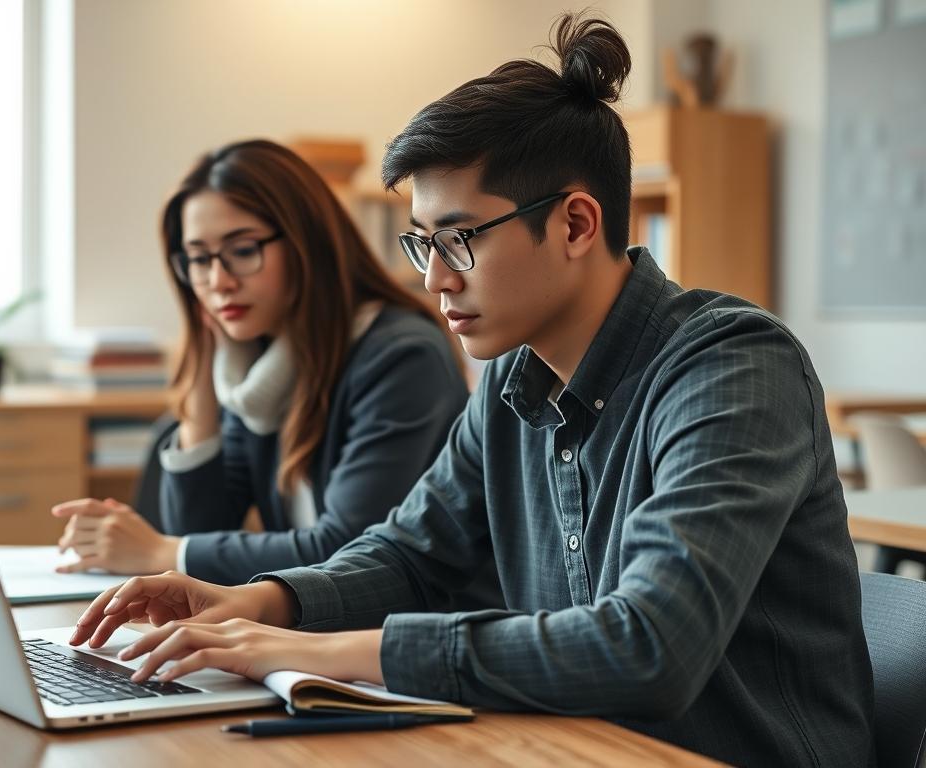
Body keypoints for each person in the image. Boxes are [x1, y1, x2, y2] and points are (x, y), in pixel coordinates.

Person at [66, 14, 874, 766]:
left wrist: (317, 653)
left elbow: (649, 646)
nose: (437, 280)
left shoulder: (732, 367)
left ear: (575, 224)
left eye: (458, 239)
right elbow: (411, 554)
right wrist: (259, 602)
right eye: (424, 245)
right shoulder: (512, 383)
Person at [51, 139, 469, 586]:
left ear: (306, 243)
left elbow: (352, 548)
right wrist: (202, 384)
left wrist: (158, 551)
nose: (218, 281)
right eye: (197, 259)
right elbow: (203, 531)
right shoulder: (260, 364)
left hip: (403, 634)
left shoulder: (401, 356)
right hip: (311, 634)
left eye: (244, 250)